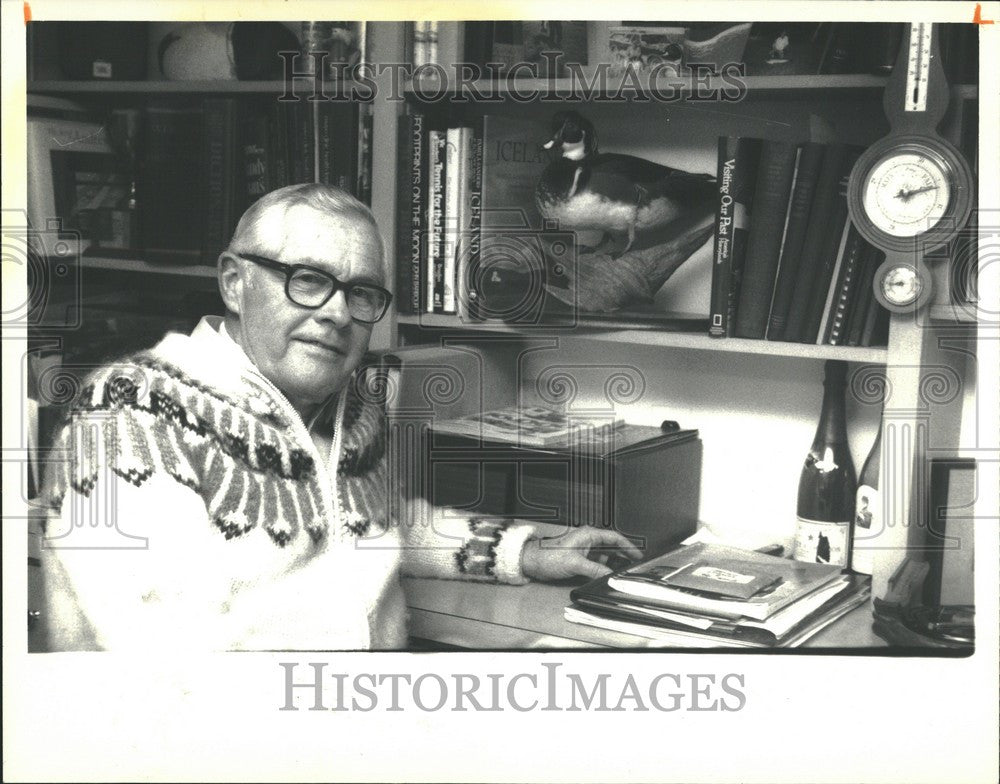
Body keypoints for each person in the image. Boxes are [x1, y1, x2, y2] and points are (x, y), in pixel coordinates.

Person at [40, 184, 640, 651]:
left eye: (360, 294)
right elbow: (171, 668)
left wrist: (525, 551)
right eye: (307, 280)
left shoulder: (354, 406)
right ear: (233, 283)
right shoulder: (128, 417)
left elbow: (372, 523)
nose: (336, 313)